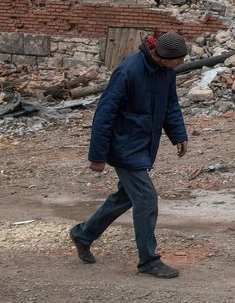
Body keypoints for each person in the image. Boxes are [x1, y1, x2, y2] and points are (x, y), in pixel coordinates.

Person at [69, 32, 190, 278]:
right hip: (124, 145)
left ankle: (83, 234)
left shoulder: (165, 72)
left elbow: (170, 105)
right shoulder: (128, 71)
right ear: (160, 56)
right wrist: (98, 155)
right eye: (176, 61)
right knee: (146, 199)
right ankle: (148, 261)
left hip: (143, 145)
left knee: (125, 197)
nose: (179, 65)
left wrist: (179, 135)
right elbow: (104, 114)